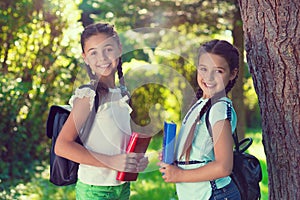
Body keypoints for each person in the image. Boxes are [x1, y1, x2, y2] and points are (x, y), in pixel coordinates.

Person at [55, 22, 148, 200]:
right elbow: (62, 146)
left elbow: (118, 144)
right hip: (95, 189)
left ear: (119, 49)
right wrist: (111, 162)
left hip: (121, 187)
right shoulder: (88, 96)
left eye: (108, 49)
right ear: (85, 58)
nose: (102, 57)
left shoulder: (121, 93)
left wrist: (135, 161)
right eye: (93, 52)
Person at [159, 39, 241, 199]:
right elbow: (199, 153)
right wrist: (174, 157)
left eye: (218, 71)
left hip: (215, 194)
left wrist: (179, 175)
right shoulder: (200, 104)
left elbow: (224, 167)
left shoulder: (219, 108)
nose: (208, 77)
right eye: (203, 69)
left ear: (232, 73)